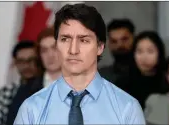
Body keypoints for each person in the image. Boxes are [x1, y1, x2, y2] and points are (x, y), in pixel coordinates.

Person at [14, 3, 145, 124]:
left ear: (100, 47)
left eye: (83, 40)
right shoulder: (32, 108)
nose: (73, 50)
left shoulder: (127, 107)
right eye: (65, 39)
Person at [5, 27, 61, 125]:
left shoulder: (83, 84)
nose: (50, 55)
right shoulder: (26, 90)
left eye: (54, 48)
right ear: (39, 56)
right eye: (44, 50)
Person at [0, 41, 40, 125]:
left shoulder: (49, 88)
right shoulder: (5, 93)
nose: (26, 65)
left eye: (31, 60)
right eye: (21, 61)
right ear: (15, 63)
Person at [120, 31, 167, 110]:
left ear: (160, 54)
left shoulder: (168, 82)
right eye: (139, 51)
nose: (144, 57)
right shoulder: (123, 84)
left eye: (150, 51)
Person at [99, 19, 135, 84]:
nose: (120, 45)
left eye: (124, 39)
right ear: (109, 44)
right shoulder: (101, 77)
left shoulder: (147, 73)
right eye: (114, 41)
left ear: (134, 39)